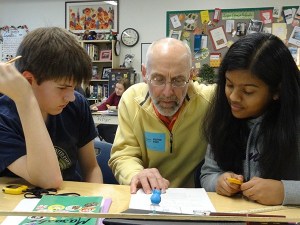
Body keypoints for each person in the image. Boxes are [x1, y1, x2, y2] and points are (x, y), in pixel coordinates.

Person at [200, 33, 300, 206]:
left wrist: (285, 192)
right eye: (229, 84)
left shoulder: (294, 124)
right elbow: (208, 173)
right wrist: (218, 181)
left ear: (277, 91)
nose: (233, 97)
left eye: (248, 91)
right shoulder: (224, 119)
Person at [108, 38, 215, 194]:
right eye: (158, 79)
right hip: (147, 195)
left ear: (191, 75)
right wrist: (136, 174)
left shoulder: (210, 101)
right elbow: (123, 154)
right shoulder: (131, 100)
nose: (167, 92)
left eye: (178, 80)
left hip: (195, 201)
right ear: (145, 74)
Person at [0, 27, 103, 189]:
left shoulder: (77, 104)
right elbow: (48, 180)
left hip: (72, 203)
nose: (71, 97)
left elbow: (91, 168)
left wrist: (96, 203)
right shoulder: (4, 117)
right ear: (28, 80)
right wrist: (26, 99)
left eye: (74, 87)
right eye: (62, 88)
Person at [91, 78, 130, 143]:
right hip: (113, 119)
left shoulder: (128, 96)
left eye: (120, 89)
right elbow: (106, 104)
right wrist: (97, 108)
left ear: (125, 90)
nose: (117, 90)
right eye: (116, 88)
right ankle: (112, 144)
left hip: (123, 121)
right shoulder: (114, 94)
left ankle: (115, 145)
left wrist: (115, 107)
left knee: (107, 130)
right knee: (100, 127)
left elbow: (125, 107)